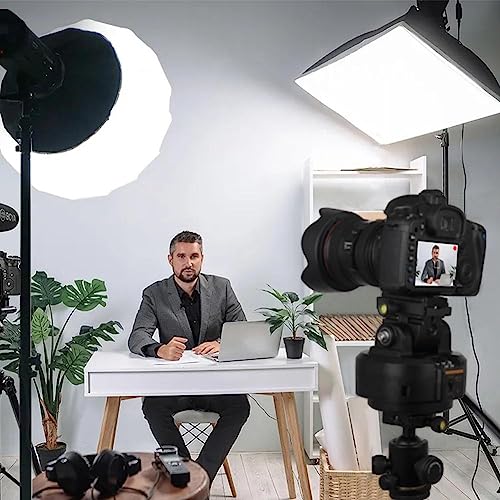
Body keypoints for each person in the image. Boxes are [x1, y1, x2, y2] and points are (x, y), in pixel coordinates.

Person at [128, 230, 250, 483]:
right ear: (170, 259)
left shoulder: (222, 287)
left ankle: (199, 478)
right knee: (152, 406)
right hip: (176, 386)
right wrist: (159, 349)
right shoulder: (154, 293)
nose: (188, 262)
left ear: (202, 258)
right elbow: (137, 336)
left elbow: (242, 329)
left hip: (215, 385)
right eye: (181, 256)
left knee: (240, 407)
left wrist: (220, 343)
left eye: (194, 256)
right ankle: (184, 473)